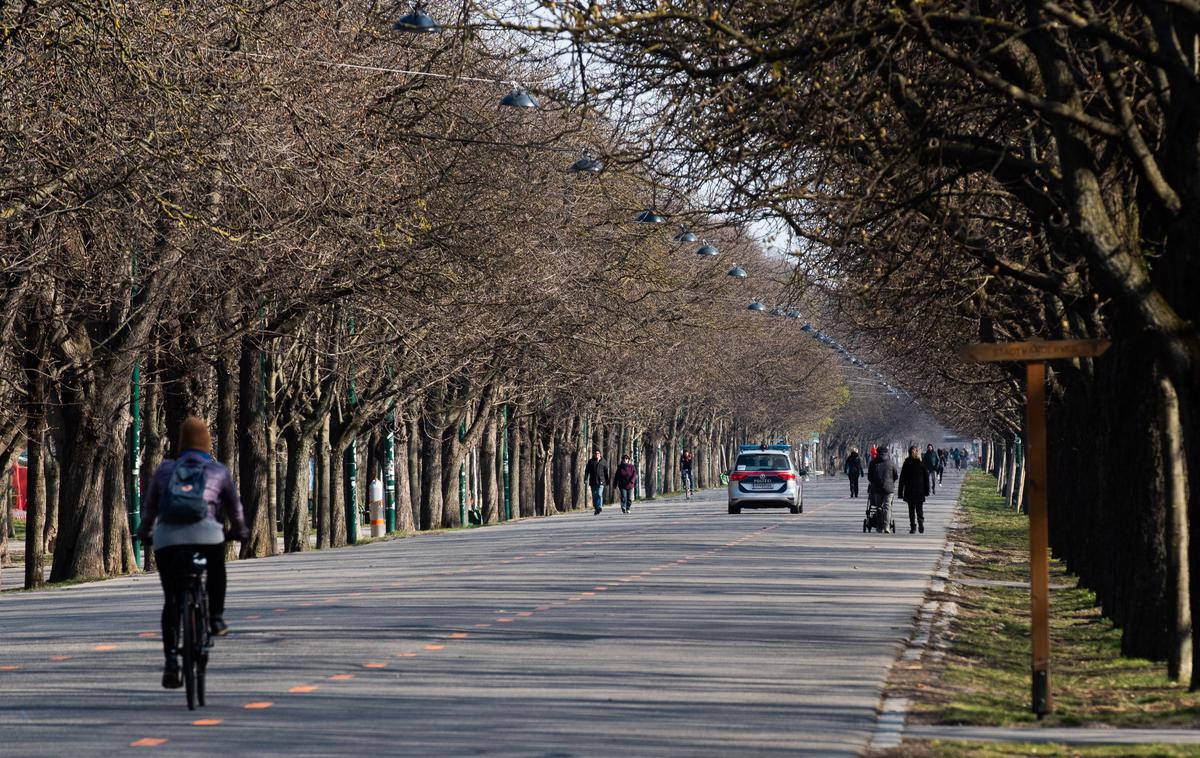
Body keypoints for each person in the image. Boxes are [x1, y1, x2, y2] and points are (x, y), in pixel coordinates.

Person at [137, 417, 248, 690]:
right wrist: (240, 531)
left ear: (181, 444)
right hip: (207, 535)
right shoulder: (218, 471)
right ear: (207, 444)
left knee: (171, 599)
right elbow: (235, 509)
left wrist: (145, 533)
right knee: (216, 571)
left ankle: (172, 660)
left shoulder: (165, 470)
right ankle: (216, 617)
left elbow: (150, 509)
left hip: (168, 538)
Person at [866, 444, 898, 533]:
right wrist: (891, 482)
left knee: (879, 507)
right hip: (889, 489)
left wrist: (874, 482)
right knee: (887, 507)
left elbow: (870, 477)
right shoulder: (891, 462)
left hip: (877, 488)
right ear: (886, 453)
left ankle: (879, 527)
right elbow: (895, 475)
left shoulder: (873, 463)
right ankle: (887, 526)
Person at [898, 446, 930, 533]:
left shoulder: (906, 463)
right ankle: (920, 521)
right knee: (919, 508)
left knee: (911, 510)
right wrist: (927, 491)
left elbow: (902, 479)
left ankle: (913, 527)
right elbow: (926, 478)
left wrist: (900, 492)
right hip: (920, 490)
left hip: (909, 490)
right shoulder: (921, 463)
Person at [583, 449, 610, 515]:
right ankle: (596, 507)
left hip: (601, 481)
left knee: (599, 494)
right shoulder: (591, 462)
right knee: (594, 496)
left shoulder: (603, 461)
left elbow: (606, 472)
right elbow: (587, 471)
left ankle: (599, 507)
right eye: (595, 453)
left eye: (598, 453)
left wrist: (607, 480)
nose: (597, 455)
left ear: (600, 454)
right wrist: (585, 479)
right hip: (593, 481)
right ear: (594, 455)